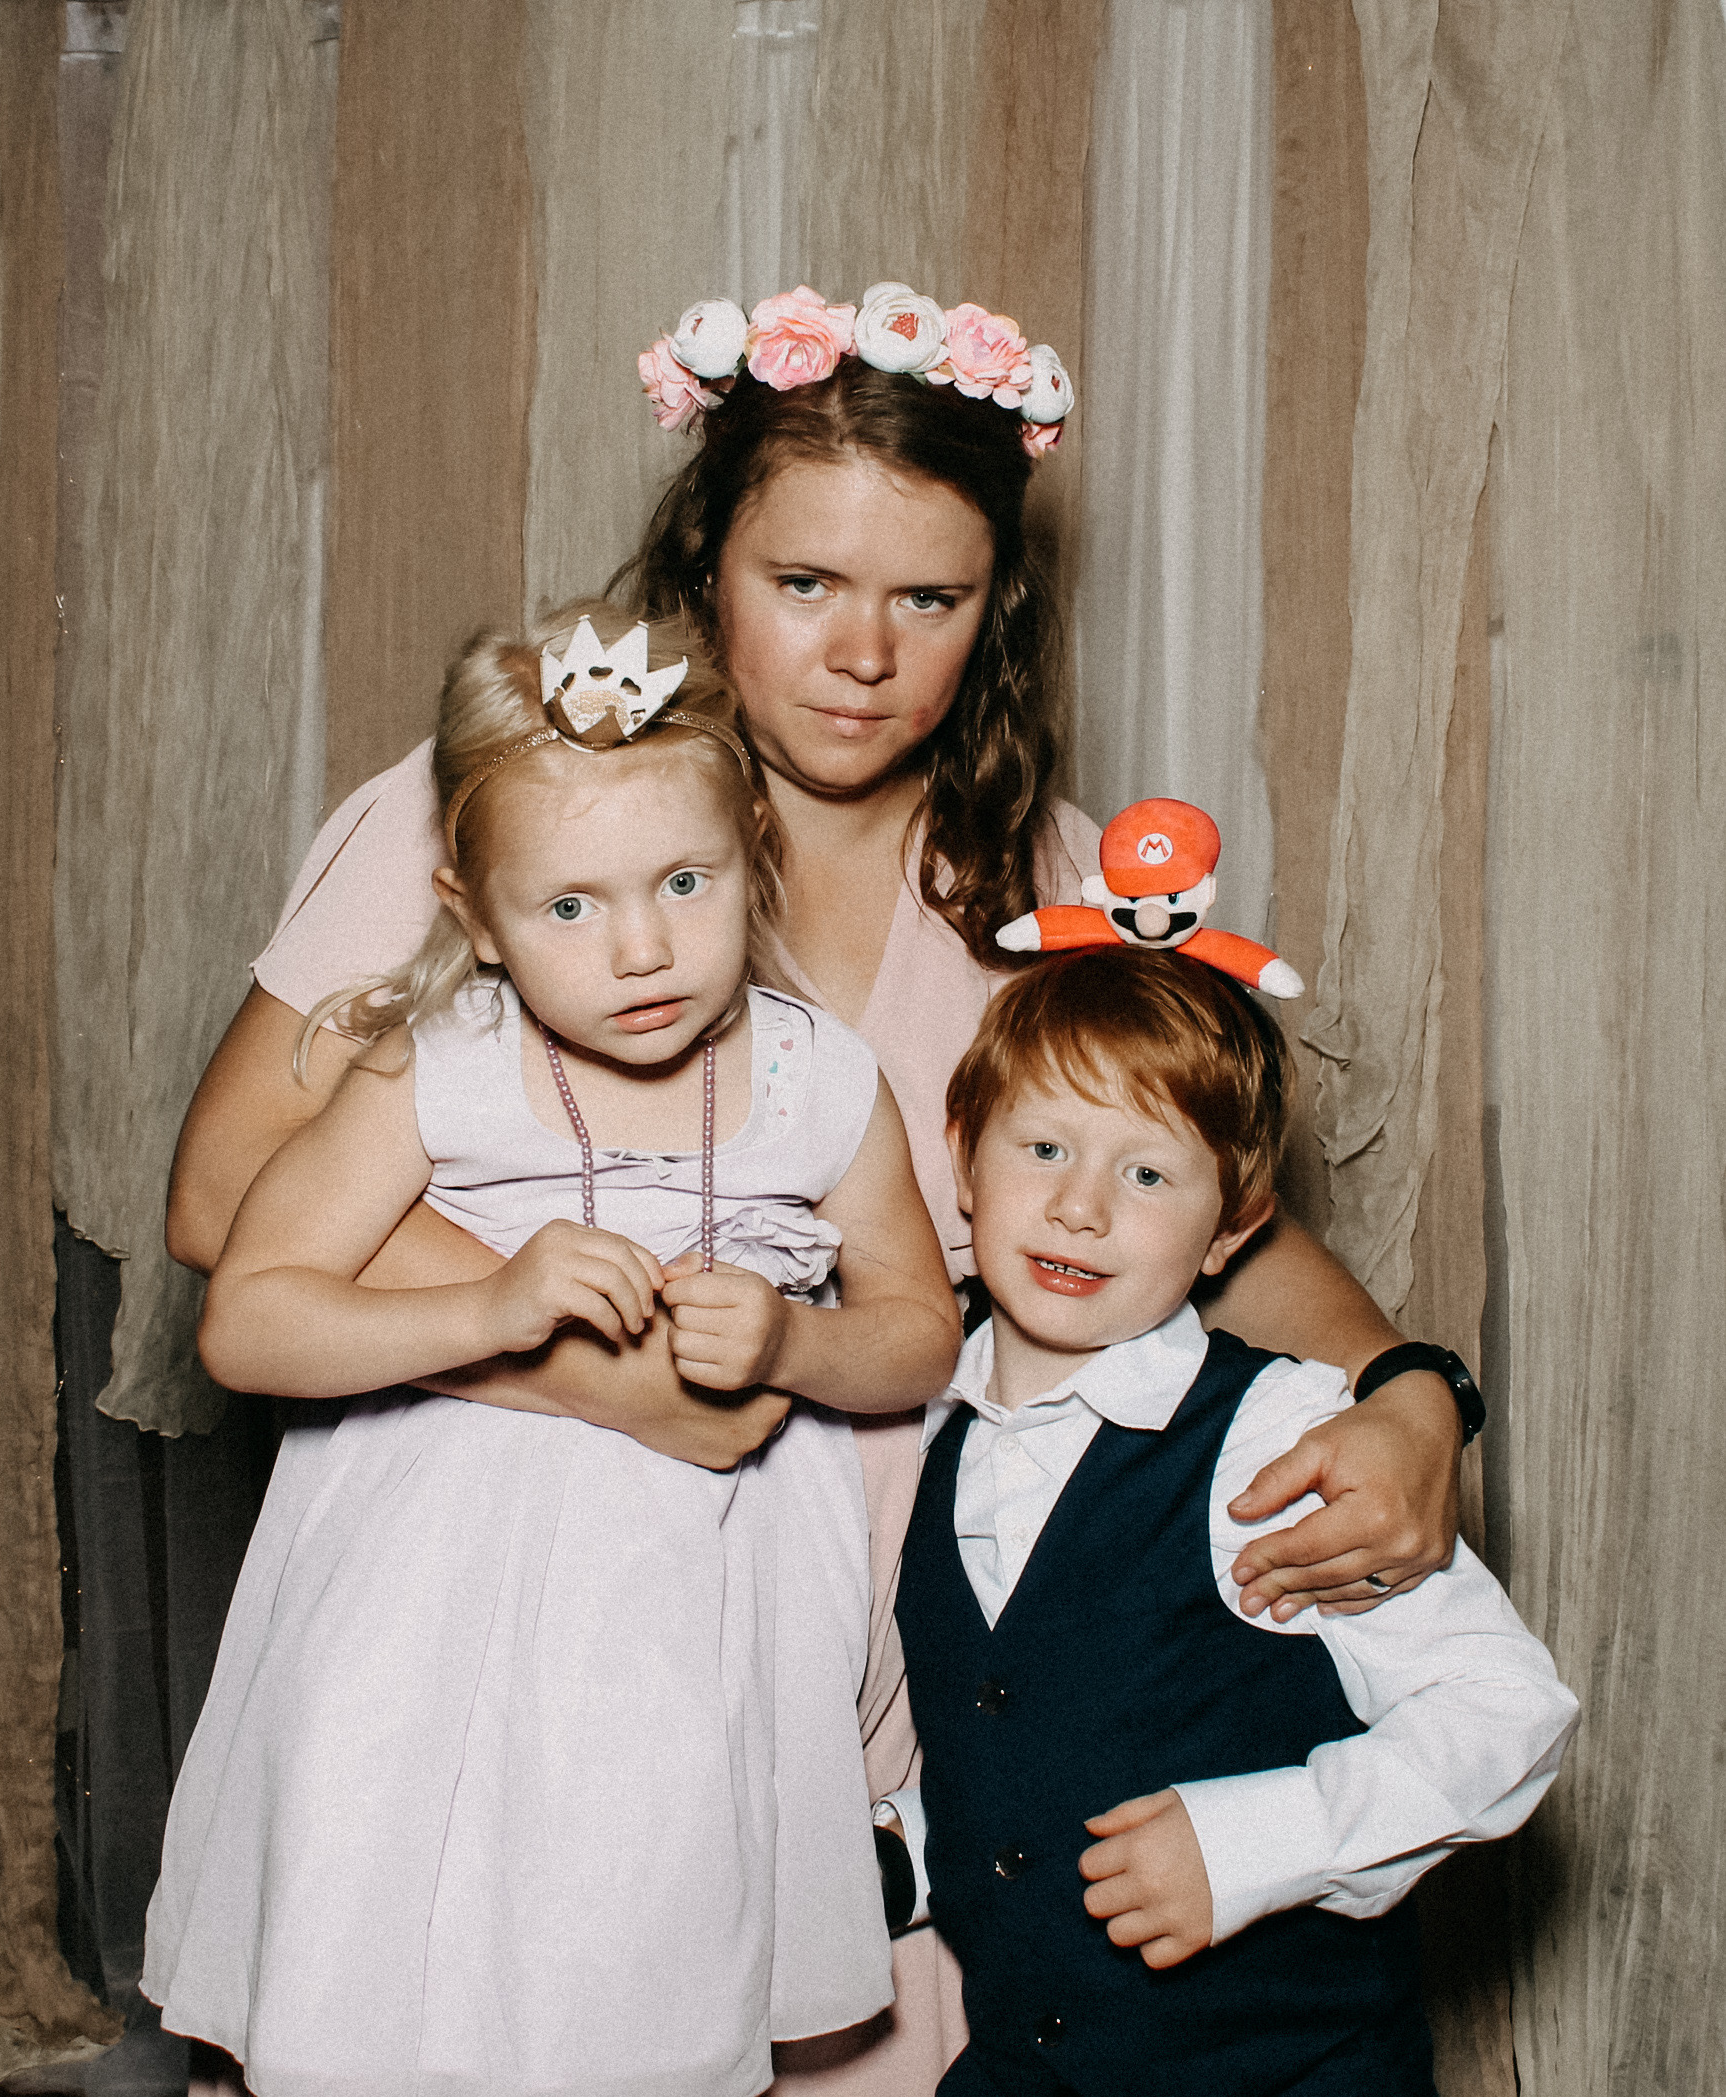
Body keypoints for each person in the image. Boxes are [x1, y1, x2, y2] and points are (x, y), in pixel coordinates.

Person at [165, 284, 1473, 2091]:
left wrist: (1411, 1394)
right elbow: (228, 1195)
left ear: (999, 607)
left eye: (928, 599)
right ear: (705, 562)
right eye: (803, 583)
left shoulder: (1049, 880)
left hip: (885, 1680)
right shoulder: (523, 803)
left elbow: (1207, 1225)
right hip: (525, 1643)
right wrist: (604, 1375)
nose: (862, 654)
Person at [143, 604, 964, 2097]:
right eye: (569, 906)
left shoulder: (820, 1084)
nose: (641, 948)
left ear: (755, 857)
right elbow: (248, 1317)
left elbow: (917, 1336)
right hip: (426, 1615)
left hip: (696, 1629)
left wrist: (796, 1339)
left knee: (638, 1968)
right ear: (472, 913)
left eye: (684, 883)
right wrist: (491, 1309)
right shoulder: (434, 1071)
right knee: (396, 1950)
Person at [890, 943, 1577, 2095]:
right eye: (1044, 1148)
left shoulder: (1273, 1437)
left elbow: (1506, 1711)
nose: (1078, 1207)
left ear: (1231, 1229)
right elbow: (1027, 1734)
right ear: (962, 1156)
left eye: (1147, 1174)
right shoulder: (917, 1427)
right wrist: (904, 1850)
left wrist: (1256, 1841)